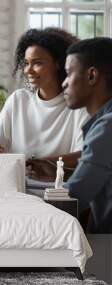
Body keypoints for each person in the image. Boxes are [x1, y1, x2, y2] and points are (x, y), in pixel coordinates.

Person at [0, 28, 89, 180]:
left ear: (59, 64)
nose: (28, 70)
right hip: (19, 190)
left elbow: (84, 157)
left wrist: (38, 164)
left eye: (37, 63)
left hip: (58, 193)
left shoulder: (78, 106)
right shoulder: (18, 100)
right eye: (26, 63)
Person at [62, 37, 112, 233]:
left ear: (91, 76)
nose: (64, 83)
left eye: (68, 74)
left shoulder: (107, 127)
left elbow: (73, 197)